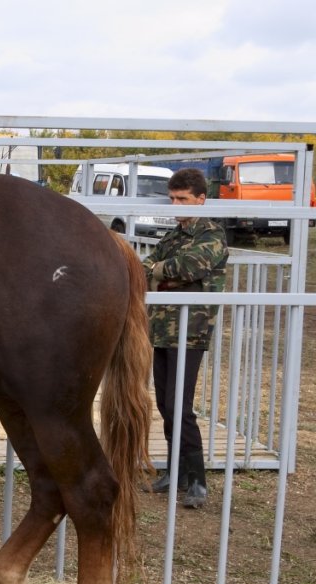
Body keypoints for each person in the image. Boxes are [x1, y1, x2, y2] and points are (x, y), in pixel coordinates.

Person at [142, 168, 228, 509]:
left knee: (180, 406)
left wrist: (160, 274)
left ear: (201, 199)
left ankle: (197, 481)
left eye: (183, 199)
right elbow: (146, 266)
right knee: (166, 404)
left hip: (191, 330)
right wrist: (164, 275)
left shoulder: (212, 234)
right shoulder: (173, 236)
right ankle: (176, 472)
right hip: (163, 329)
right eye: (172, 199)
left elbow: (192, 266)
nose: (176, 205)